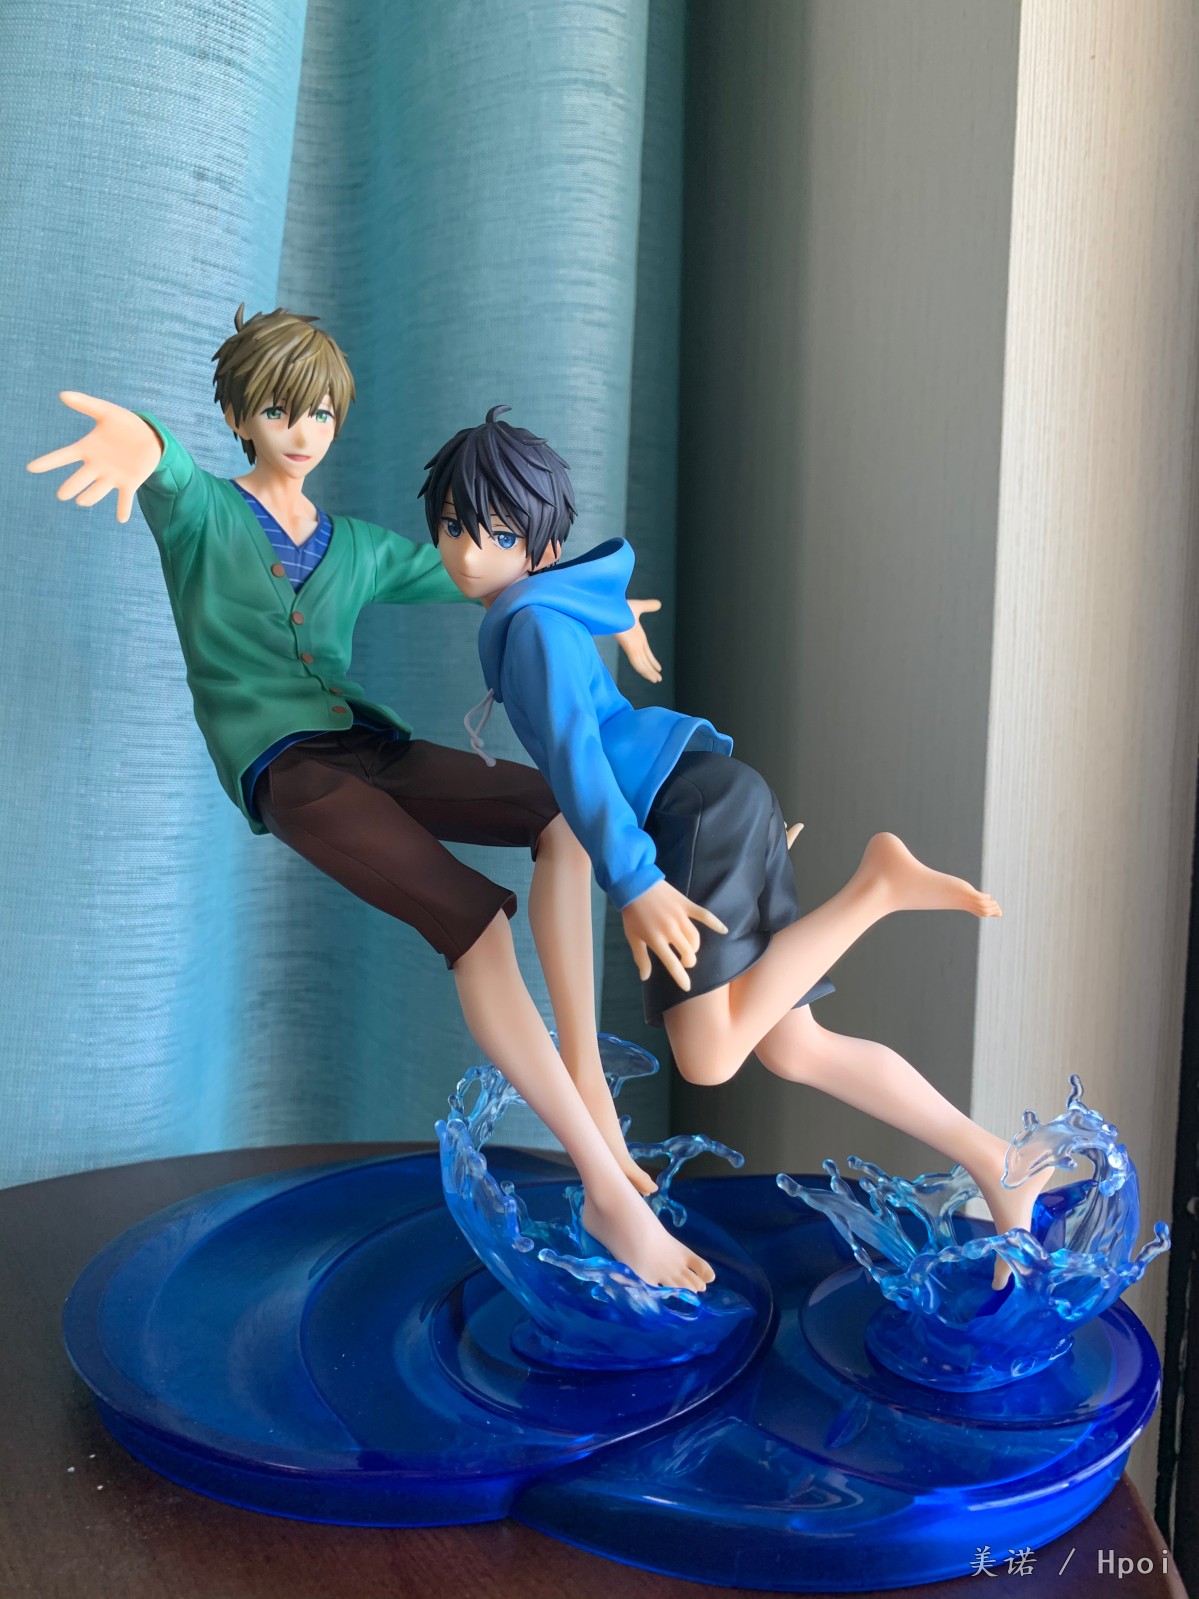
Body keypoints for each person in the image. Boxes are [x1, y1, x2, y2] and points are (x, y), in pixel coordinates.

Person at [25, 309, 714, 1294]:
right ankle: (604, 1186)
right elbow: (164, 465)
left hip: (368, 746)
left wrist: (601, 604)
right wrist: (142, 441)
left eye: (319, 414)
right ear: (239, 417)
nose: (302, 432)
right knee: (474, 921)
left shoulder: (352, 544)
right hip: (291, 771)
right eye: (278, 410)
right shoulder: (203, 513)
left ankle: (587, 1088)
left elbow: (491, 568)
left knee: (562, 812)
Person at [422, 406, 1055, 1289]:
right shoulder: (540, 612)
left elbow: (577, 760)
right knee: (796, 1047)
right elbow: (573, 774)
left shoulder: (530, 628)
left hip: (691, 813)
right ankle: (997, 1159)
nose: (465, 552)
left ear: (539, 545)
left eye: (495, 533)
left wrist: (636, 880)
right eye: (453, 526)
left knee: (711, 1056)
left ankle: (874, 888)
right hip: (718, 798)